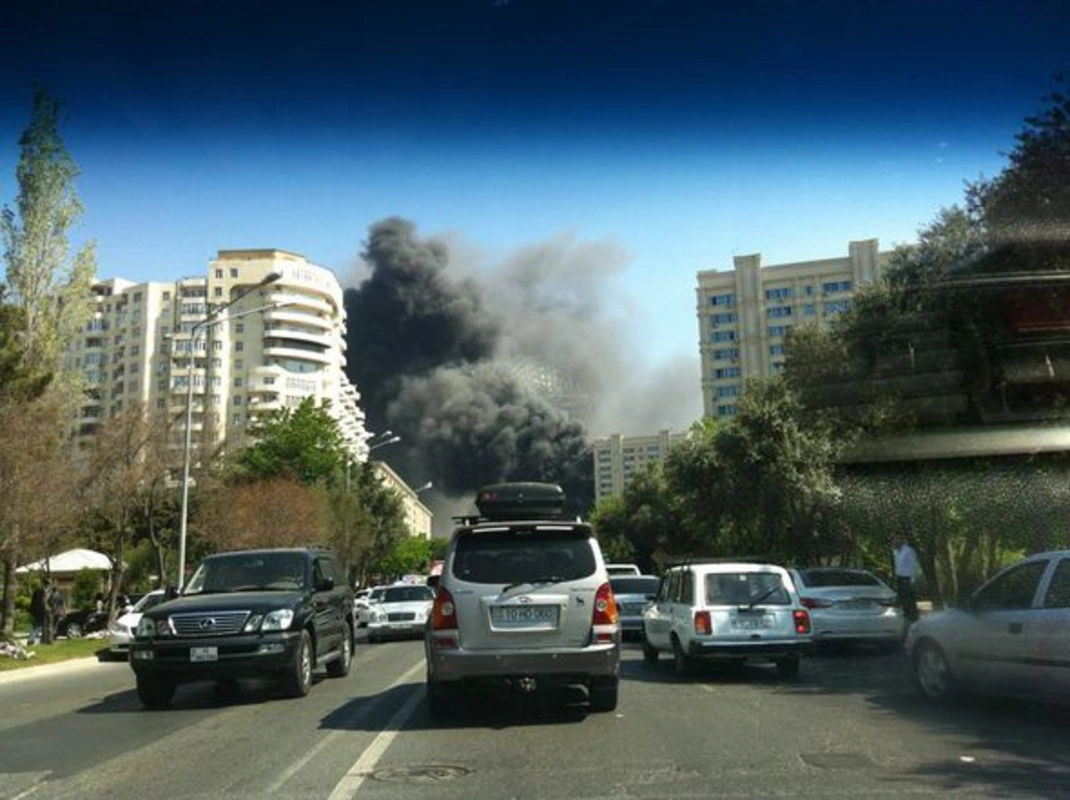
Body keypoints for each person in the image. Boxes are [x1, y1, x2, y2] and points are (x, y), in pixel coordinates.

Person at [893, 535, 920, 624]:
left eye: (897, 539)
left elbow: (914, 565)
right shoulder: (895, 551)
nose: (895, 541)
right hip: (899, 577)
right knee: (903, 598)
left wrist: (913, 578)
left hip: (908, 577)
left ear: (902, 540)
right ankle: (907, 617)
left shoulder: (908, 550)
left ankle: (914, 618)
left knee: (910, 599)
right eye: (894, 539)